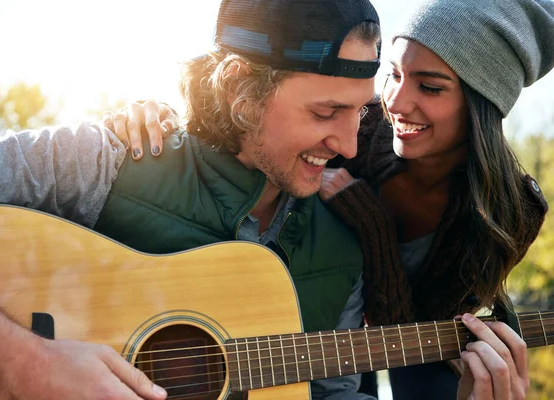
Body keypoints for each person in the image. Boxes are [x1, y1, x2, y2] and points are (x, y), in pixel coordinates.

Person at [103, 0, 554, 399]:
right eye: (393, 74)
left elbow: (406, 329)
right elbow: (256, 132)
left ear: (481, 104)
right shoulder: (364, 125)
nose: (395, 101)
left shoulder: (510, 210)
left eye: (430, 87)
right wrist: (159, 116)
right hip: (323, 316)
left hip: (417, 336)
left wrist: (370, 222)